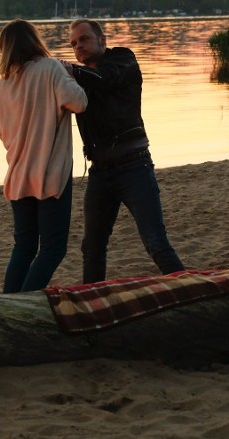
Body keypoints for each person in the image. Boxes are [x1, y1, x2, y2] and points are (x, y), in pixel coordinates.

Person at [63, 19, 184, 283]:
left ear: (102, 40)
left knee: (155, 243)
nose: (78, 46)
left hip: (134, 166)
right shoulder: (79, 82)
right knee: (92, 247)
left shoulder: (123, 60)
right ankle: (93, 301)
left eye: (83, 39)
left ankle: (193, 290)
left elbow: (106, 79)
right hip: (100, 173)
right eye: (73, 43)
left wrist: (66, 69)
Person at [0, 19, 88, 293]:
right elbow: (79, 102)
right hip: (49, 174)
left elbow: (0, 129)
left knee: (24, 246)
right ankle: (20, 303)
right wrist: (69, 75)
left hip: (18, 174)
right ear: (34, 40)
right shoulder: (51, 68)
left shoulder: (3, 84)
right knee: (53, 248)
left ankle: (7, 302)